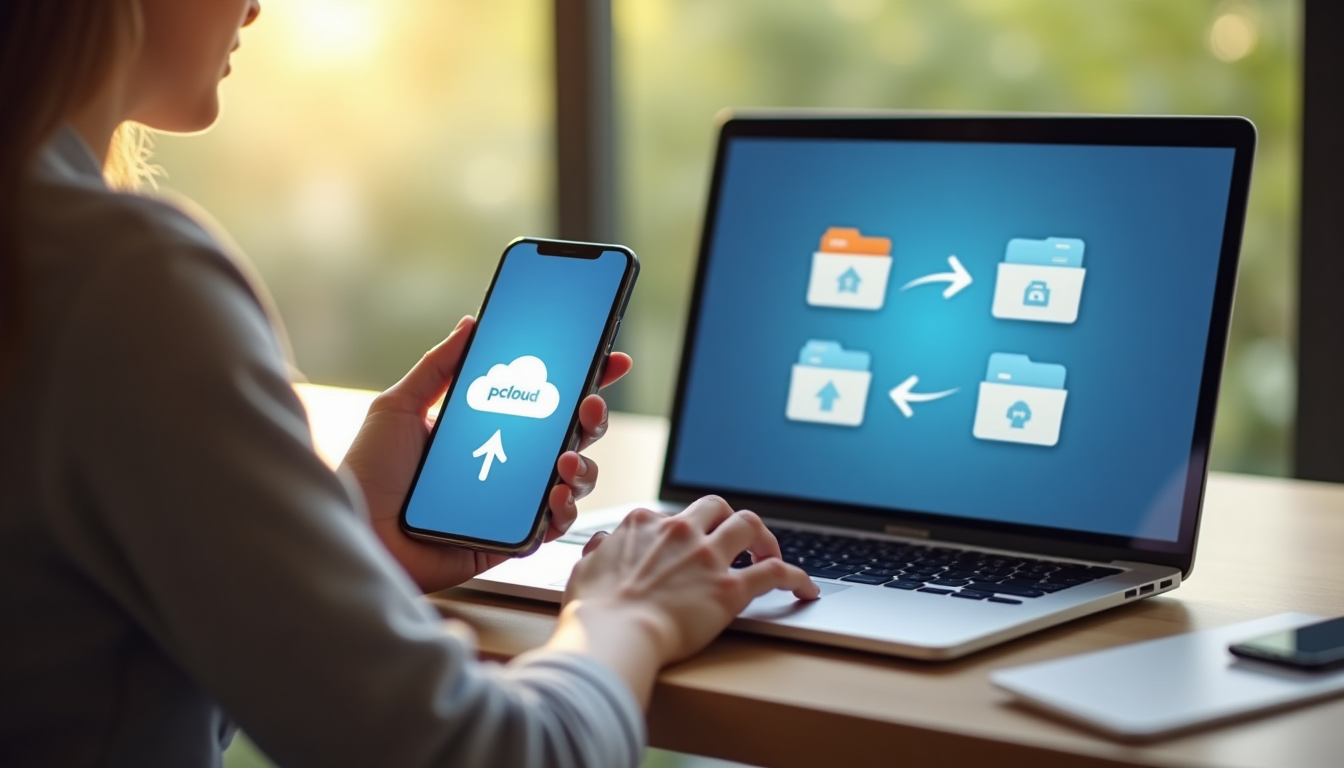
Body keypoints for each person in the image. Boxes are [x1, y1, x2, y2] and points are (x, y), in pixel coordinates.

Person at [0, 1, 820, 766]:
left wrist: (350, 543)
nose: (255, 6)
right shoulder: (119, 282)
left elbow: (99, 676)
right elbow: (477, 753)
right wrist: (628, 611)